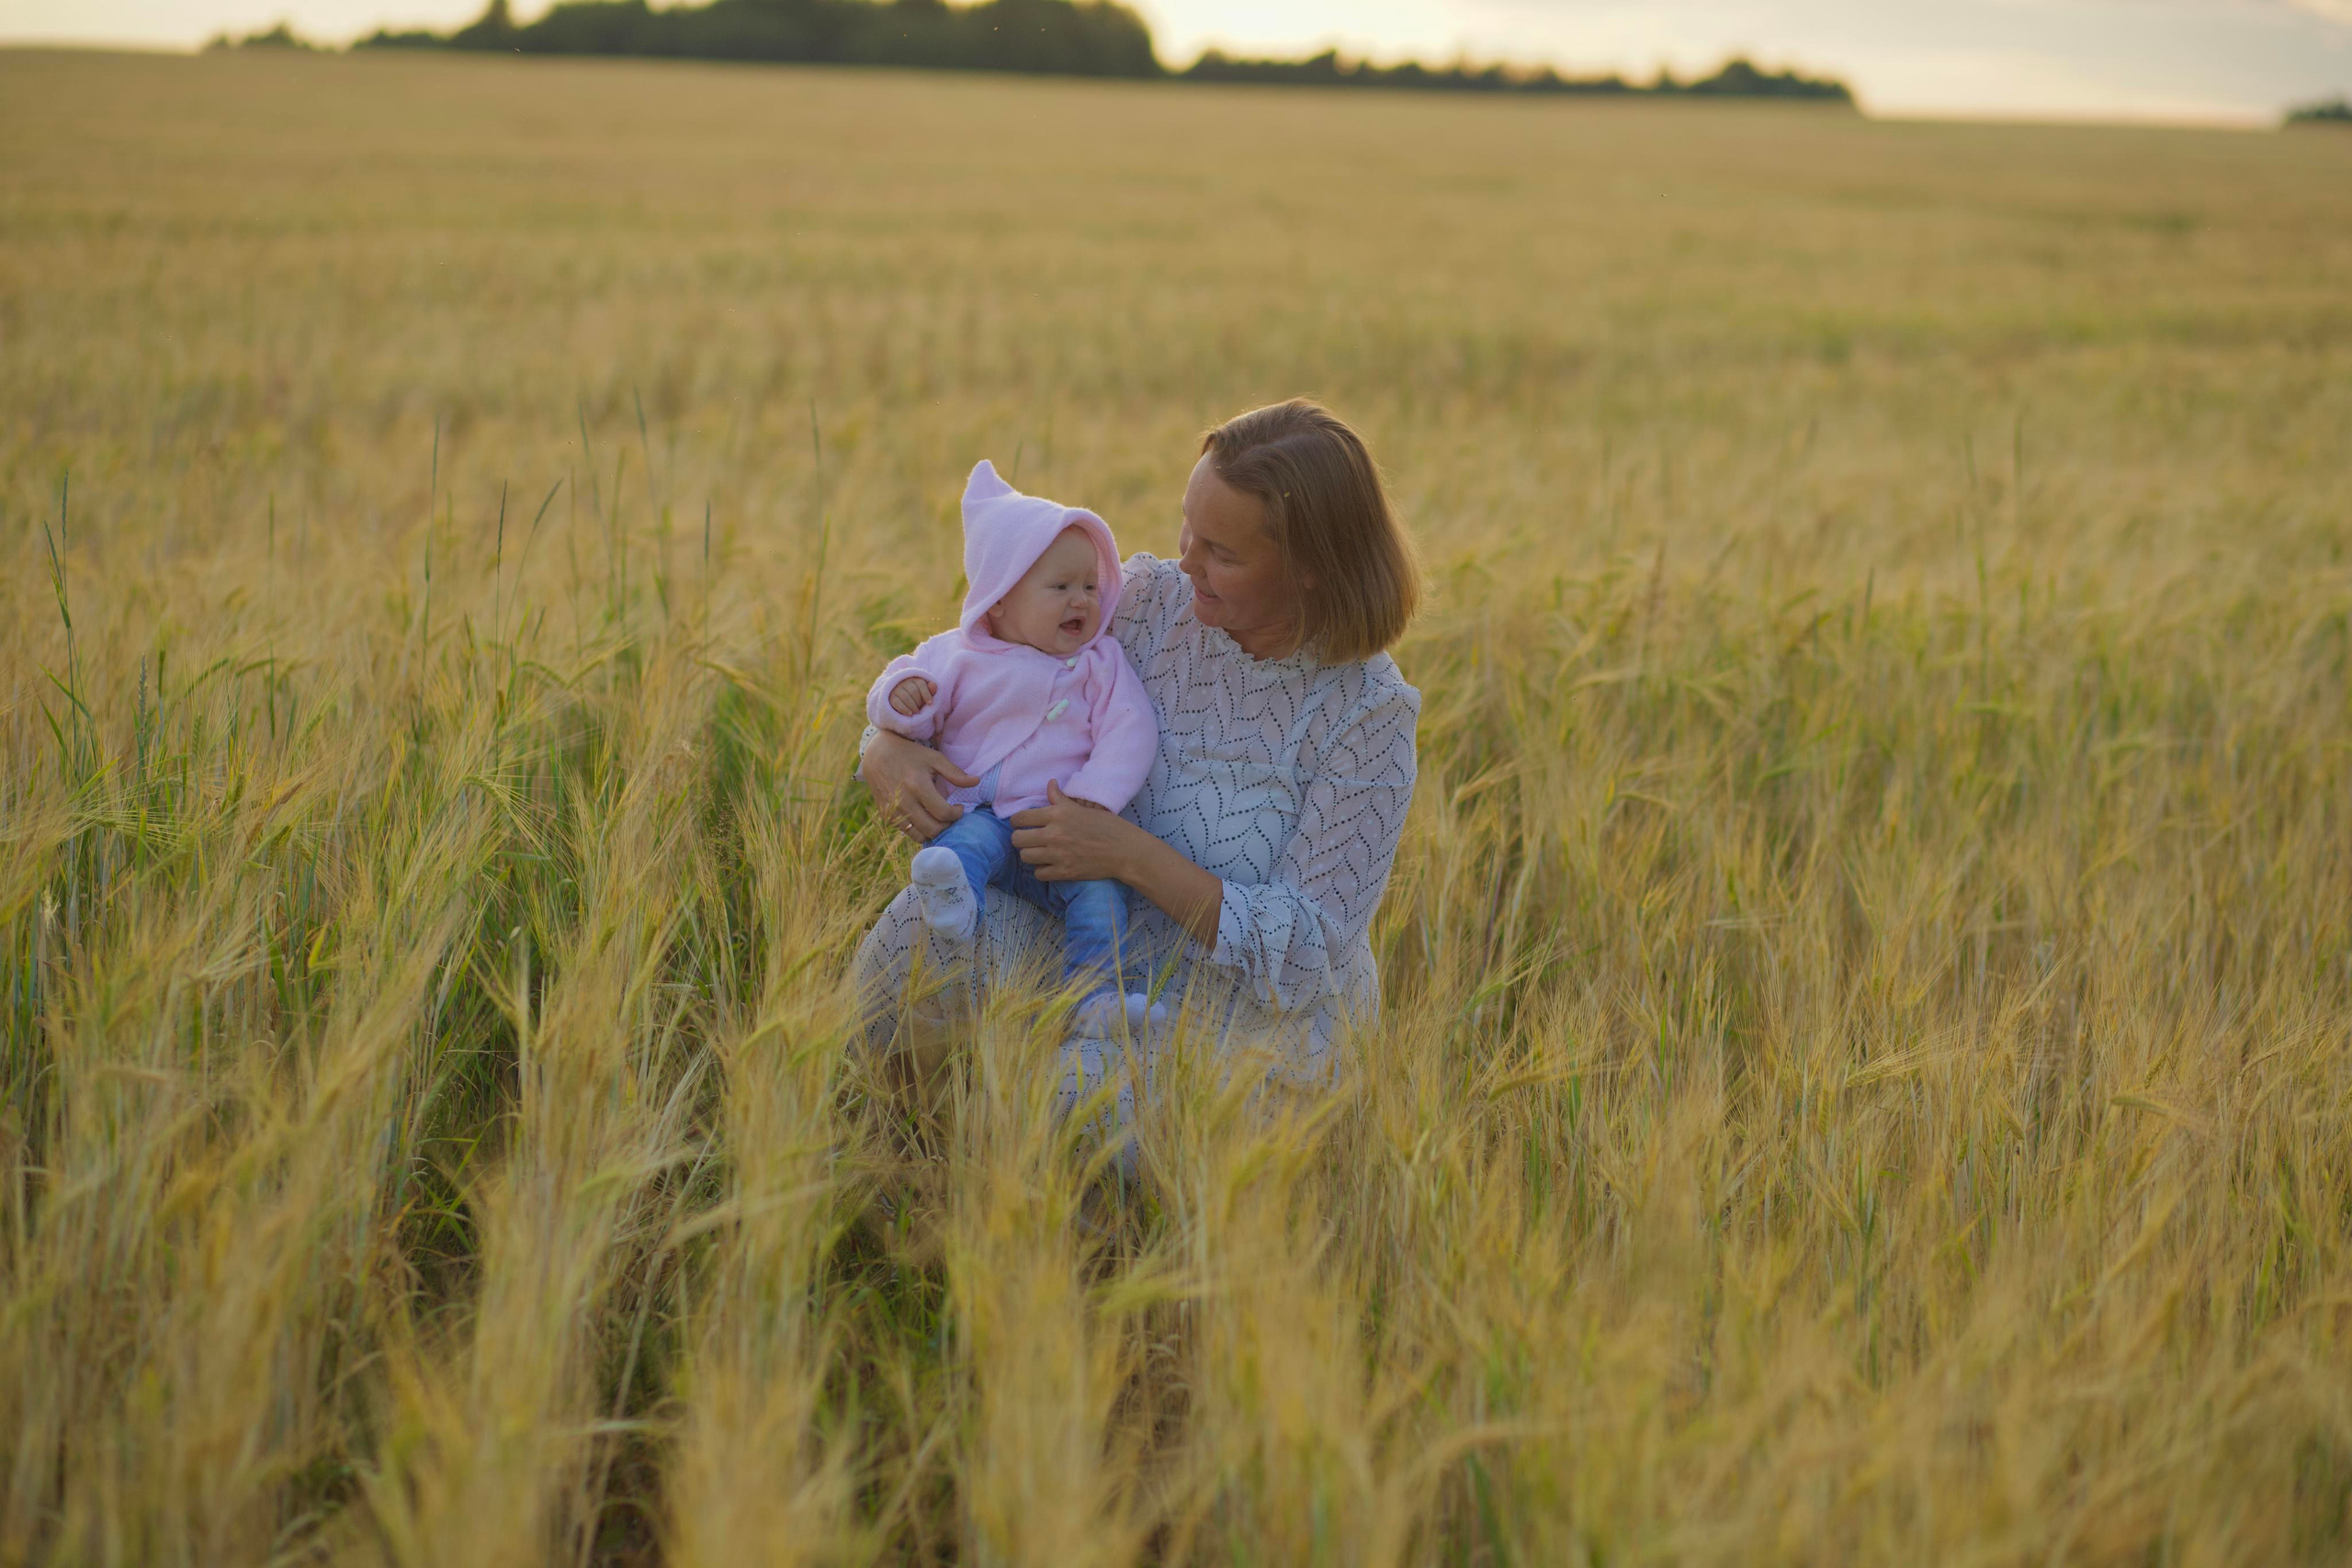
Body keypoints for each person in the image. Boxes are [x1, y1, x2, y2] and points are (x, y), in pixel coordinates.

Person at [854, 399, 1421, 1133]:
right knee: (918, 934)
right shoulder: (1151, 604)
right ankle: (896, 1159)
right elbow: (982, 661)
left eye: (1222, 550)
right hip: (1092, 952)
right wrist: (885, 744)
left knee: (1081, 1096)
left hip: (1254, 1023)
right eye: (1188, 525)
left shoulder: (1368, 713)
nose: (1186, 558)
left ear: (1310, 567)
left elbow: (1305, 954)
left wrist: (1130, 857)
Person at [864, 458, 1159, 1032]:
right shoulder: (958, 654)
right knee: (962, 849)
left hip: (1059, 831)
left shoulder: (1098, 664)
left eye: (1091, 587)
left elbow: (1131, 729)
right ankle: (952, 905)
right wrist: (904, 698)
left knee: (1101, 898)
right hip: (979, 814)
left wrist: (1092, 801)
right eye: (1060, 587)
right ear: (998, 599)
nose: (1081, 601)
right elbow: (900, 694)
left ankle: (1095, 997)